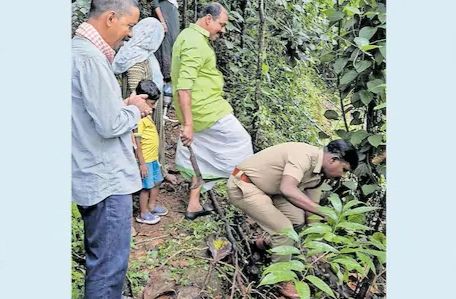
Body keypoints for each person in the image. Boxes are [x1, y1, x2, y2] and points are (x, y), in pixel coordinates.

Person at [72, 0, 152, 297]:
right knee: (107, 270)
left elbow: (91, 114)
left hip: (90, 173)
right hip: (105, 180)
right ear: (109, 18)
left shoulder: (77, 52)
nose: (130, 34)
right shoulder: (90, 59)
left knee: (102, 263)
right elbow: (109, 125)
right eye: (129, 25)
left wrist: (123, 105)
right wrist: (134, 111)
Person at [226, 140, 359, 299]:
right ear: (333, 160)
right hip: (245, 184)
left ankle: (266, 243)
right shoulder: (303, 155)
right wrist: (325, 213)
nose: (342, 175)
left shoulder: (320, 175)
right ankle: (280, 279)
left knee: (297, 221)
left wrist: (315, 244)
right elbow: (288, 188)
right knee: (285, 230)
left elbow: (311, 209)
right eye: (344, 170)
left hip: (272, 191)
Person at [171, 2, 253, 220]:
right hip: (205, 110)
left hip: (199, 110)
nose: (223, 30)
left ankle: (194, 203)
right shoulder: (195, 43)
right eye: (221, 24)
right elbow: (184, 86)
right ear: (208, 19)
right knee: (242, 145)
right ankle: (249, 194)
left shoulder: (188, 35)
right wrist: (188, 124)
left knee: (200, 151)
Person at [113, 17, 177, 184]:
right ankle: (145, 179)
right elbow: (137, 92)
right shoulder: (135, 59)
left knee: (153, 143)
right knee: (143, 144)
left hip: (149, 109)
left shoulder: (145, 55)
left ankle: (157, 171)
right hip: (142, 114)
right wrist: (147, 109)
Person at [133, 80, 169, 224]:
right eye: (152, 104)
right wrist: (142, 163)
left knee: (157, 181)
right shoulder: (139, 118)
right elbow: (137, 142)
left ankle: (152, 205)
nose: (153, 108)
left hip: (153, 158)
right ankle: (143, 213)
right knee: (146, 187)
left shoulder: (146, 114)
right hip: (145, 160)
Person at [151, 0, 180, 81]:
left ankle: (169, 76)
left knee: (173, 45)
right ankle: (164, 77)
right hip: (165, 15)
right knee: (165, 46)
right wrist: (162, 22)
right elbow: (154, 2)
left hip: (172, 14)